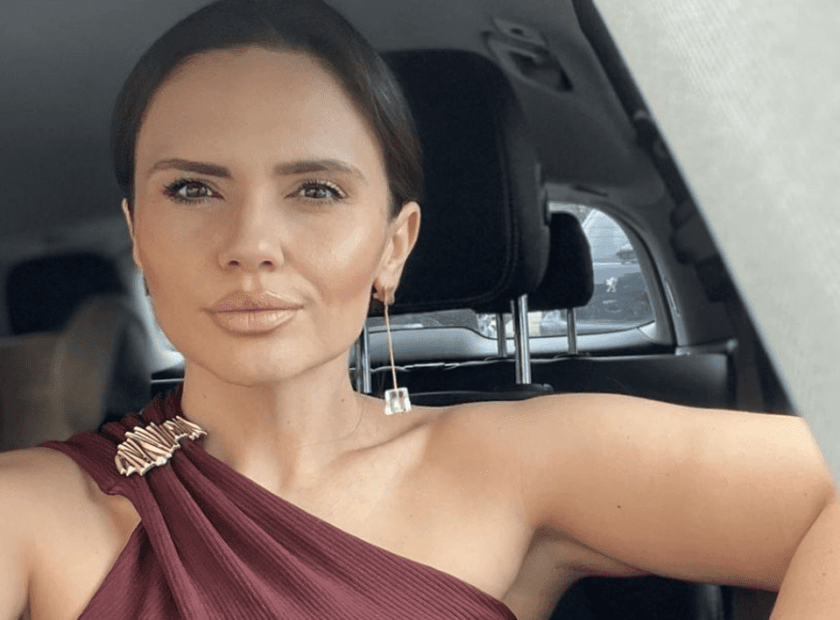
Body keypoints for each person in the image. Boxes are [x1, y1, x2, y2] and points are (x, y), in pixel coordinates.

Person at [0, 0, 838, 618]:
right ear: (138, 237)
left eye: (316, 190)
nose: (251, 243)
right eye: (192, 189)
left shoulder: (516, 461)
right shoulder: (36, 508)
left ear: (393, 246)